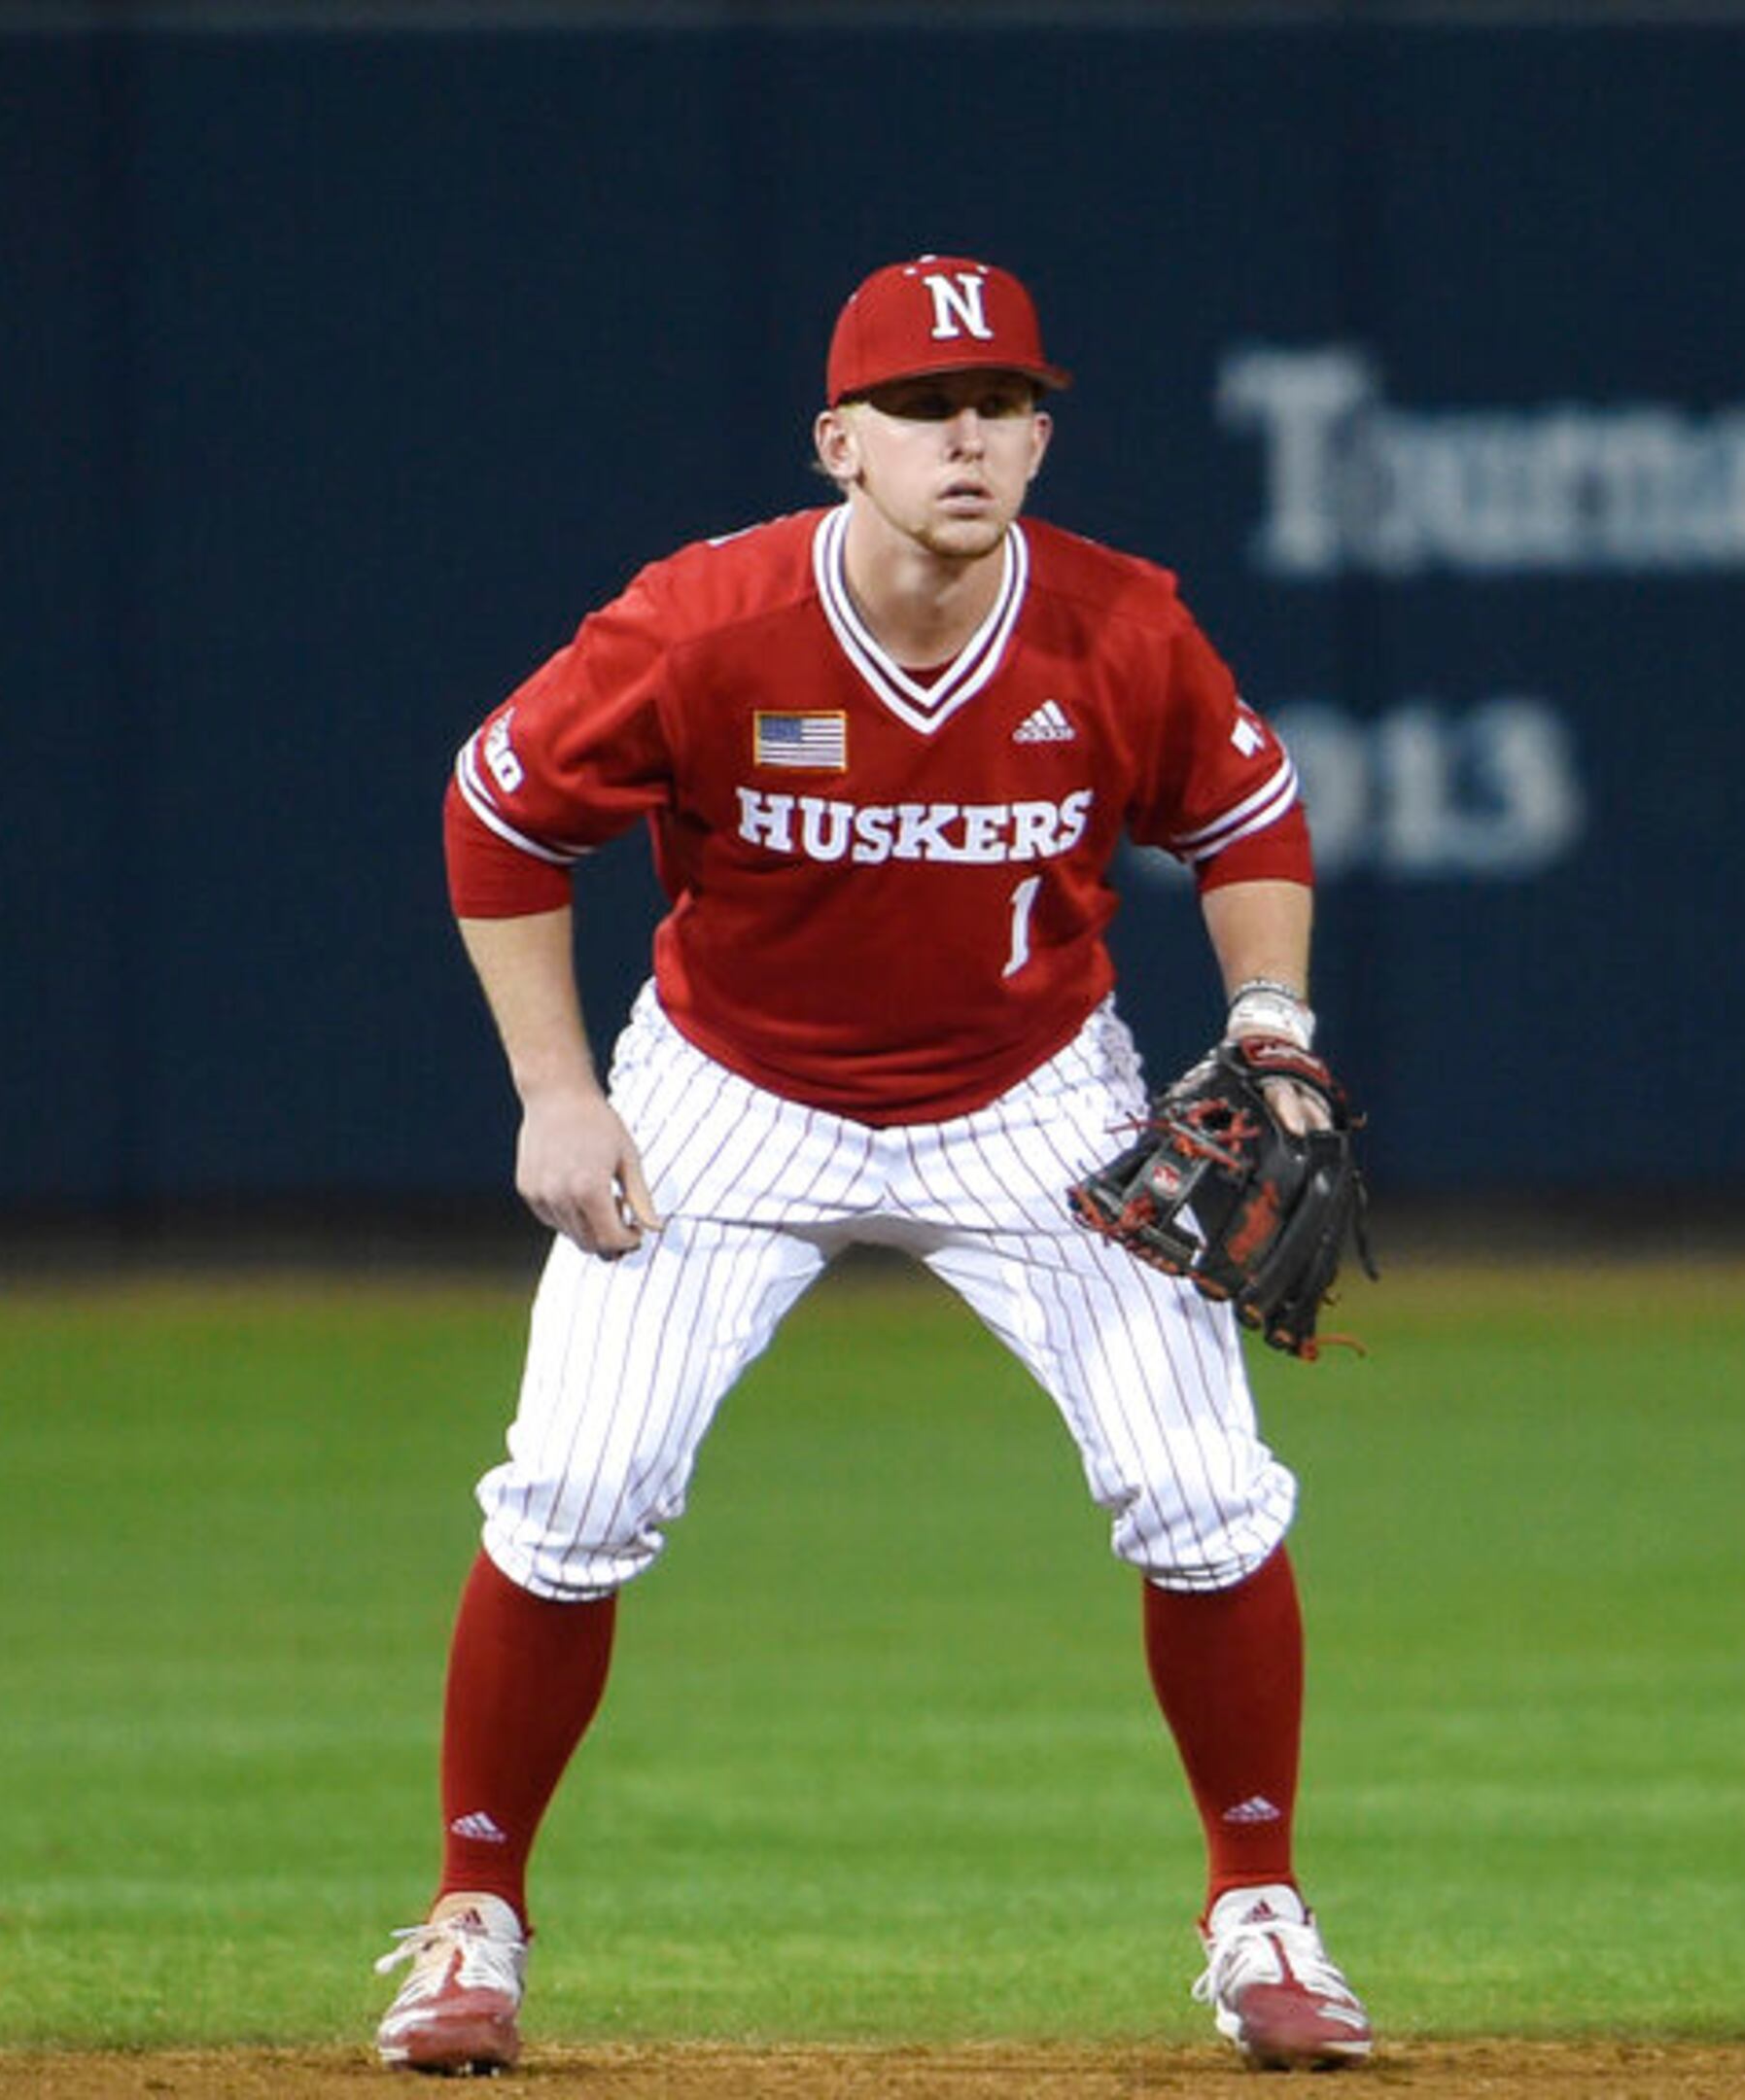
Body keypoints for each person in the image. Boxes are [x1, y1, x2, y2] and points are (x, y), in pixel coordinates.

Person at [381, 254, 1372, 2076]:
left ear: (1043, 438)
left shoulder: (1118, 626)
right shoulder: (707, 624)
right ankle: (470, 1925)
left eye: (1001, 404)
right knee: (575, 1498)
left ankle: (1259, 1913)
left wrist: (1271, 1020)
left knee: (1206, 1494)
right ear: (841, 440)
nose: (966, 436)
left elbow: (1248, 814)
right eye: (922, 408)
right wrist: (552, 1090)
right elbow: (499, 808)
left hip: (1034, 1099)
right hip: (729, 1098)